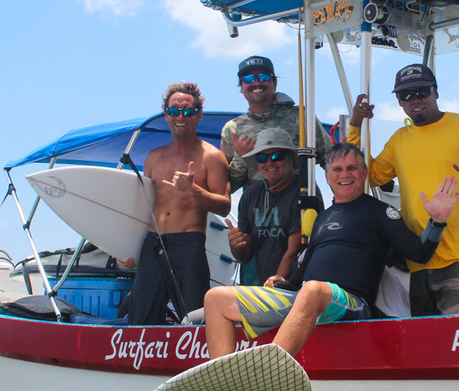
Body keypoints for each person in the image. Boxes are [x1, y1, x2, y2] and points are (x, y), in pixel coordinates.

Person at [203, 142, 459, 358]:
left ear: (364, 172)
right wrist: (283, 281)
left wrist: (437, 222)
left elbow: (419, 253)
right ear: (327, 176)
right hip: (307, 298)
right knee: (216, 299)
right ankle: (222, 380)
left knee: (314, 288)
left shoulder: (380, 212)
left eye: (351, 168)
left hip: (351, 303)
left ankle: (272, 372)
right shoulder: (323, 218)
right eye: (337, 169)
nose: (344, 175)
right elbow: (304, 267)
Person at [348, 63, 459, 316]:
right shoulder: (400, 139)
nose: (415, 100)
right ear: (399, 102)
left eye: (422, 91)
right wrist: (355, 127)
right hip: (420, 256)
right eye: (406, 95)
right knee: (426, 341)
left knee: (455, 336)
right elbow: (368, 177)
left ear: (436, 92)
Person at [125, 82, 231, 325]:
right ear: (166, 115)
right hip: (153, 243)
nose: (180, 116)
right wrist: (125, 252)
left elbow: (224, 206)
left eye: (187, 110)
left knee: (194, 319)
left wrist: (193, 190)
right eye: (174, 111)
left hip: (188, 245)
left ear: (199, 115)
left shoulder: (212, 157)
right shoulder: (154, 157)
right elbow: (142, 208)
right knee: (141, 320)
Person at [219, 55, 333, 192]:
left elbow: (330, 160)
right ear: (241, 87)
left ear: (274, 83)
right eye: (249, 79)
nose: (256, 83)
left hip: (301, 205)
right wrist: (242, 158)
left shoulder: (301, 116)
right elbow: (226, 188)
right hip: (255, 209)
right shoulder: (231, 129)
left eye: (264, 77)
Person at [226, 127, 323, 286]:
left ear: (291, 157)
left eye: (277, 155)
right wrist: (236, 246)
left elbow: (294, 249)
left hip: (299, 287)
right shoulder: (250, 195)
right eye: (262, 157)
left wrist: (278, 281)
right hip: (269, 287)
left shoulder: (306, 190)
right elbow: (245, 257)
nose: (269, 162)